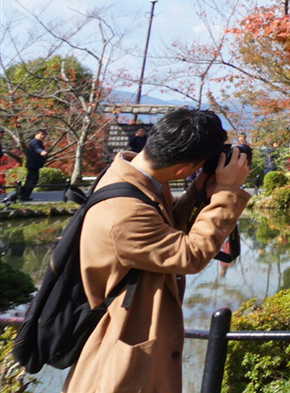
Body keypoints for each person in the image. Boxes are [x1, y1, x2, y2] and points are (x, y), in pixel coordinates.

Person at [66, 106, 250, 393]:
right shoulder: (124, 213)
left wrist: (199, 191)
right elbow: (189, 255)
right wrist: (227, 192)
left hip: (133, 337)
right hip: (120, 363)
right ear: (181, 169)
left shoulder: (136, 176)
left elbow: (163, 233)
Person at [14, 130, 47, 202]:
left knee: (30, 180)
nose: (43, 136)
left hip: (34, 164)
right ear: (36, 134)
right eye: (41, 134)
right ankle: (23, 195)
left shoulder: (38, 142)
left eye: (44, 135)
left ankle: (21, 194)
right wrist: (42, 152)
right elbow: (37, 148)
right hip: (33, 164)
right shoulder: (34, 142)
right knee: (32, 180)